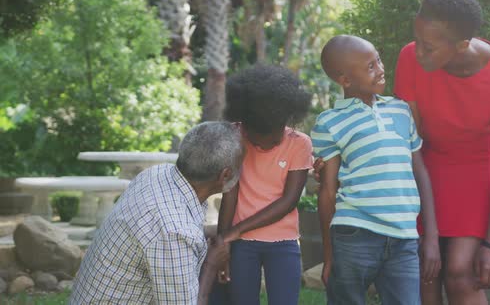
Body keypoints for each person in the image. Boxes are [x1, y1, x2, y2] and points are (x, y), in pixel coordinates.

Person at [394, 0, 490, 304]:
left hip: (477, 171)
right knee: (425, 270)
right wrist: (430, 233)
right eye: (418, 40)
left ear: (462, 44)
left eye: (429, 47)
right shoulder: (410, 57)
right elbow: (409, 145)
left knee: (459, 271)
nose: (418, 52)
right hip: (424, 167)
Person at [311, 35, 440, 305]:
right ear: (345, 80)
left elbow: (420, 174)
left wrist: (431, 237)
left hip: (404, 238)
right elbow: (328, 190)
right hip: (355, 234)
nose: (381, 69)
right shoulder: (330, 122)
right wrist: (329, 254)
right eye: (370, 66)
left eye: (378, 60)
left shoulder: (401, 111)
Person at [69, 121, 244, 305]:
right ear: (225, 175)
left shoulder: (156, 174)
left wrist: (217, 231)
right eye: (242, 164)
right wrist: (212, 264)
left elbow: (161, 230)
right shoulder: (174, 232)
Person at [215, 64, 313, 305]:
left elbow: (289, 201)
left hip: (283, 243)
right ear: (246, 127)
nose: (271, 145)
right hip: (241, 246)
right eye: (263, 141)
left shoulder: (299, 143)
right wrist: (222, 244)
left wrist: (235, 231)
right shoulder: (234, 137)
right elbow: (230, 193)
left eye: (277, 136)